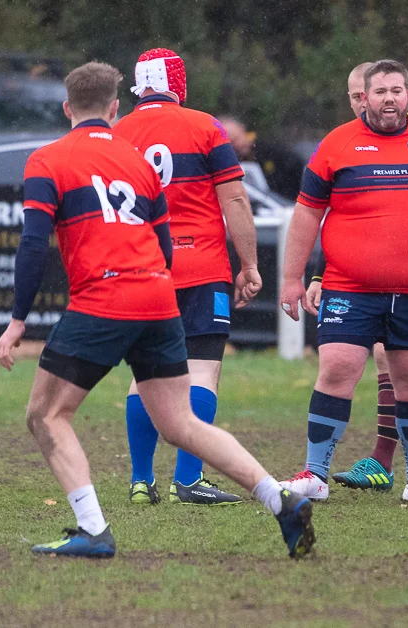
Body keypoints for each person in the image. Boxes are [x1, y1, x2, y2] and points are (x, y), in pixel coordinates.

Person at [0, 61, 313, 558]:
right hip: (159, 294)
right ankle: (281, 499)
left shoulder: (47, 159)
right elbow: (162, 243)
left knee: (46, 415)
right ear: (113, 106)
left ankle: (94, 530)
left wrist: (17, 321)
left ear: (66, 108)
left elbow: (34, 245)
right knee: (181, 422)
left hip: (103, 297)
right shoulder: (138, 164)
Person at [277, 59, 408, 504]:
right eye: (380, 91)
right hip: (350, 287)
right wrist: (293, 277)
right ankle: (314, 474)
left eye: (397, 89)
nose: (389, 98)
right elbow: (308, 211)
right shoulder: (337, 144)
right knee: (337, 368)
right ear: (363, 98)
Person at [109, 48, 262, 507]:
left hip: (140, 269)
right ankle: (189, 480)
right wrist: (250, 264)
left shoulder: (117, 133)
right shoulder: (204, 126)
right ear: (179, 82)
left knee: (144, 376)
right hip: (200, 267)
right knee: (201, 372)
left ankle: (140, 481)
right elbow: (234, 200)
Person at [217, 115, 304, 200]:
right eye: (231, 143)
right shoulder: (227, 162)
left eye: (237, 139)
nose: (237, 145)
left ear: (242, 129)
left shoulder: (271, 151)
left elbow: (298, 169)